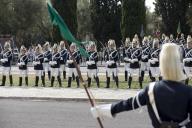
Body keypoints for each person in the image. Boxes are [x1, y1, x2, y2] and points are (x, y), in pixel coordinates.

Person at [90, 43, 192, 128]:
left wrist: (101, 110)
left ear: (162, 62)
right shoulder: (188, 92)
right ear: (178, 63)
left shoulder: (151, 90)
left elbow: (129, 104)